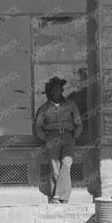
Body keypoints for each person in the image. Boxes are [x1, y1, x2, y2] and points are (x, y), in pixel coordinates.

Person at [34, 76, 82, 204]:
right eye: (53, 90)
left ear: (62, 90)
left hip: (68, 136)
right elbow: (38, 126)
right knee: (55, 167)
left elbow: (78, 123)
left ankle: (58, 196)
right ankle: (61, 198)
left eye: (58, 89)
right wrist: (45, 138)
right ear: (50, 92)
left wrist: (75, 136)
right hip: (52, 136)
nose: (56, 91)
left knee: (66, 164)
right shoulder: (44, 108)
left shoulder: (71, 105)